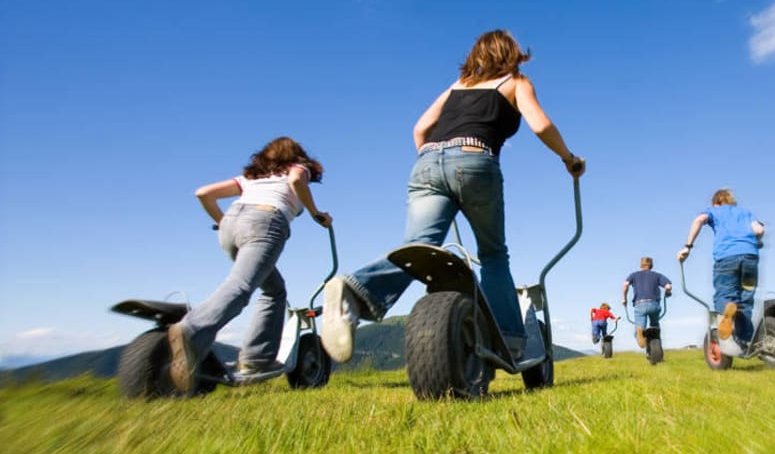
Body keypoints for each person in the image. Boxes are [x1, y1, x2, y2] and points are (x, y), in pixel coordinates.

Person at [321, 29, 585, 363]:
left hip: (426, 162)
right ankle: (510, 339)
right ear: (512, 54)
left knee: (418, 250)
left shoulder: (456, 87)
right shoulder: (516, 82)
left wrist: (434, 162)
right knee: (493, 255)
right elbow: (540, 125)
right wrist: (568, 159)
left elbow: (420, 128)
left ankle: (354, 291)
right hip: (475, 160)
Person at [168, 137, 332, 393]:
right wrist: (316, 213)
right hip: (266, 222)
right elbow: (297, 180)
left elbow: (204, 194)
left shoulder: (251, 179)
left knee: (274, 290)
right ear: (297, 156)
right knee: (241, 286)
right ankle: (192, 330)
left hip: (231, 226)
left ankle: (257, 359)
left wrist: (223, 222)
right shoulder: (297, 168)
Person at [677, 188, 764, 347]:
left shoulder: (714, 211)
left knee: (725, 293)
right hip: (750, 257)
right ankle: (745, 342)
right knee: (746, 298)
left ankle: (726, 312)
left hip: (727, 257)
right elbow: (759, 229)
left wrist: (687, 247)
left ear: (716, 202)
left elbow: (699, 220)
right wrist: (757, 241)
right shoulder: (745, 212)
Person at [622, 257, 672, 348]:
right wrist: (667, 292)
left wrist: (624, 299)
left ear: (641, 265)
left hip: (640, 304)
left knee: (640, 326)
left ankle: (640, 332)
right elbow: (668, 286)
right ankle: (656, 336)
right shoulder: (657, 275)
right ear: (651, 265)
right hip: (654, 304)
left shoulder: (633, 275)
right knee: (655, 325)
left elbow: (625, 285)